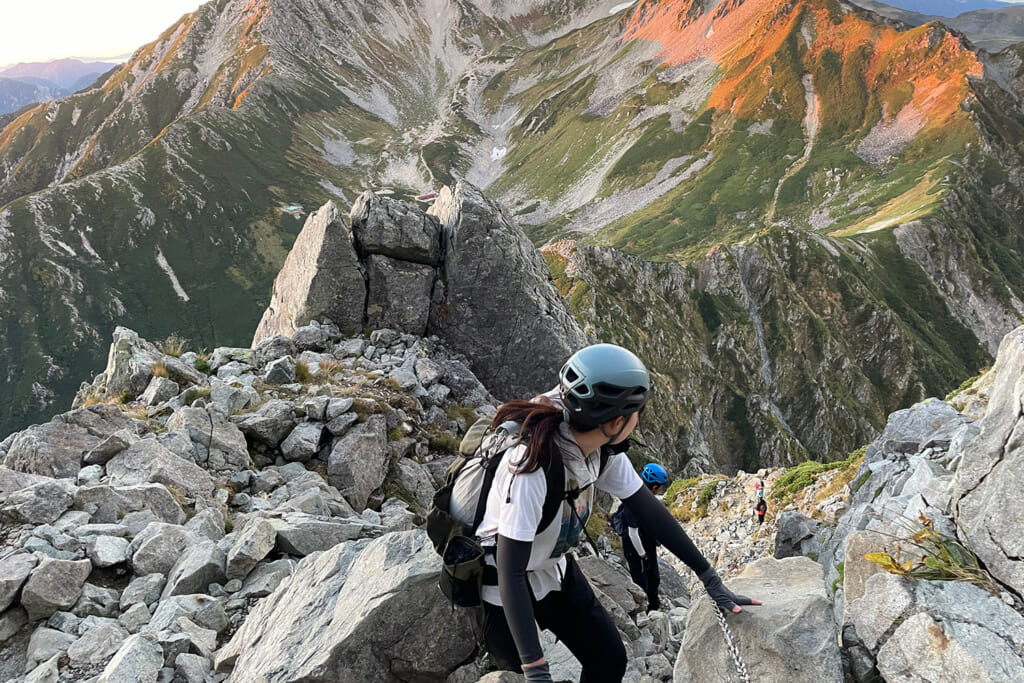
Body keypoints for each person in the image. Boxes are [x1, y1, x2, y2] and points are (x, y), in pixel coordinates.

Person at [472, 343, 762, 683]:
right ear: (617, 421)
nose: (638, 422)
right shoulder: (530, 468)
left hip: (556, 570)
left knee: (609, 660)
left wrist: (710, 578)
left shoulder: (600, 452)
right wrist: (536, 670)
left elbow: (649, 511)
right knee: (515, 673)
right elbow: (511, 571)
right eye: (638, 414)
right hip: (503, 588)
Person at [616, 462, 669, 610]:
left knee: (653, 576)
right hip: (635, 548)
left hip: (646, 542)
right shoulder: (633, 504)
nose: (661, 489)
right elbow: (633, 534)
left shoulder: (643, 496)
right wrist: (643, 555)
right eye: (661, 487)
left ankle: (654, 606)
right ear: (654, 487)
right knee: (641, 580)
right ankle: (645, 611)